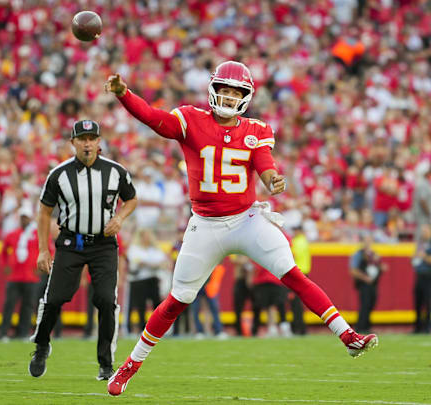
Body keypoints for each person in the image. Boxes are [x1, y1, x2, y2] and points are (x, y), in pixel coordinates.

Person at [104, 61, 378, 396]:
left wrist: (272, 179)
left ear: (246, 96)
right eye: (225, 90)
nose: (230, 97)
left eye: (237, 92)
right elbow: (152, 117)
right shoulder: (191, 119)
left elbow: (264, 164)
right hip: (205, 224)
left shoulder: (258, 129)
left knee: (292, 273)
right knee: (178, 299)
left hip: (246, 218)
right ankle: (131, 364)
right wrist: (123, 94)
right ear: (213, 89)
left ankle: (348, 336)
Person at [30, 119, 138, 381]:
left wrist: (120, 219)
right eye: (82, 138)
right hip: (71, 243)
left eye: (92, 138)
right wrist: (43, 249)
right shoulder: (59, 174)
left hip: (103, 244)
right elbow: (44, 211)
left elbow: (132, 199)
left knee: (105, 300)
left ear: (99, 141)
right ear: (73, 143)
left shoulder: (116, 171)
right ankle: (42, 345)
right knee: (55, 299)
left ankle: (106, 363)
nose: (87, 143)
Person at [0, 206, 40, 341]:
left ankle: (23, 332)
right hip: (14, 276)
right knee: (9, 305)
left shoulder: (37, 234)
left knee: (27, 306)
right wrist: (5, 266)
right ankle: (3, 332)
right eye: (22, 217)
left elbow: (48, 250)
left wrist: (41, 267)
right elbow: (3, 251)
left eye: (26, 217)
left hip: (30, 277)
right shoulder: (12, 234)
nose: (24, 220)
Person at [125, 228, 165, 335]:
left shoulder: (154, 248)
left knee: (156, 304)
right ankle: (142, 329)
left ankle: (156, 328)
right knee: (140, 306)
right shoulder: (134, 248)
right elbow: (137, 261)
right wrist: (152, 264)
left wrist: (148, 263)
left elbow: (161, 261)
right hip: (138, 280)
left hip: (152, 279)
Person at [350, 234, 388, 333]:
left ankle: (366, 326)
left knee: (371, 303)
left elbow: (377, 266)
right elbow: (353, 270)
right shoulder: (358, 254)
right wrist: (365, 278)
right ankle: (361, 326)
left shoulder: (374, 254)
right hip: (364, 284)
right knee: (365, 304)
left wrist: (381, 267)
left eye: (369, 240)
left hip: (373, 284)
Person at [290, 226, 312, 335]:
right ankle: (299, 327)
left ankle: (298, 327)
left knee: (296, 303)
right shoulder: (304, 241)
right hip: (303, 272)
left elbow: (293, 255)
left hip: (298, 273)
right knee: (298, 302)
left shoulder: (299, 241)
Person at [412, 224, 431, 334]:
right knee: (417, 301)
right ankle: (418, 327)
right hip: (419, 275)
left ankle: (427, 327)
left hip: (428, 276)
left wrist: (423, 255)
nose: (423, 233)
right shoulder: (420, 244)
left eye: (425, 230)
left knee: (427, 302)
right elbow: (415, 257)